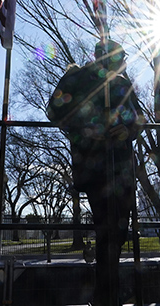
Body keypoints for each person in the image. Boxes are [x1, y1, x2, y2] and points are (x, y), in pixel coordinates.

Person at [46, 40, 143, 306]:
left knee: (118, 231)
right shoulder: (76, 77)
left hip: (121, 166)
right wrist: (91, 126)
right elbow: (54, 111)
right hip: (93, 162)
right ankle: (106, 296)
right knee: (107, 228)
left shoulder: (123, 83)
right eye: (118, 57)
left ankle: (110, 292)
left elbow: (139, 119)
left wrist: (127, 129)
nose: (122, 62)